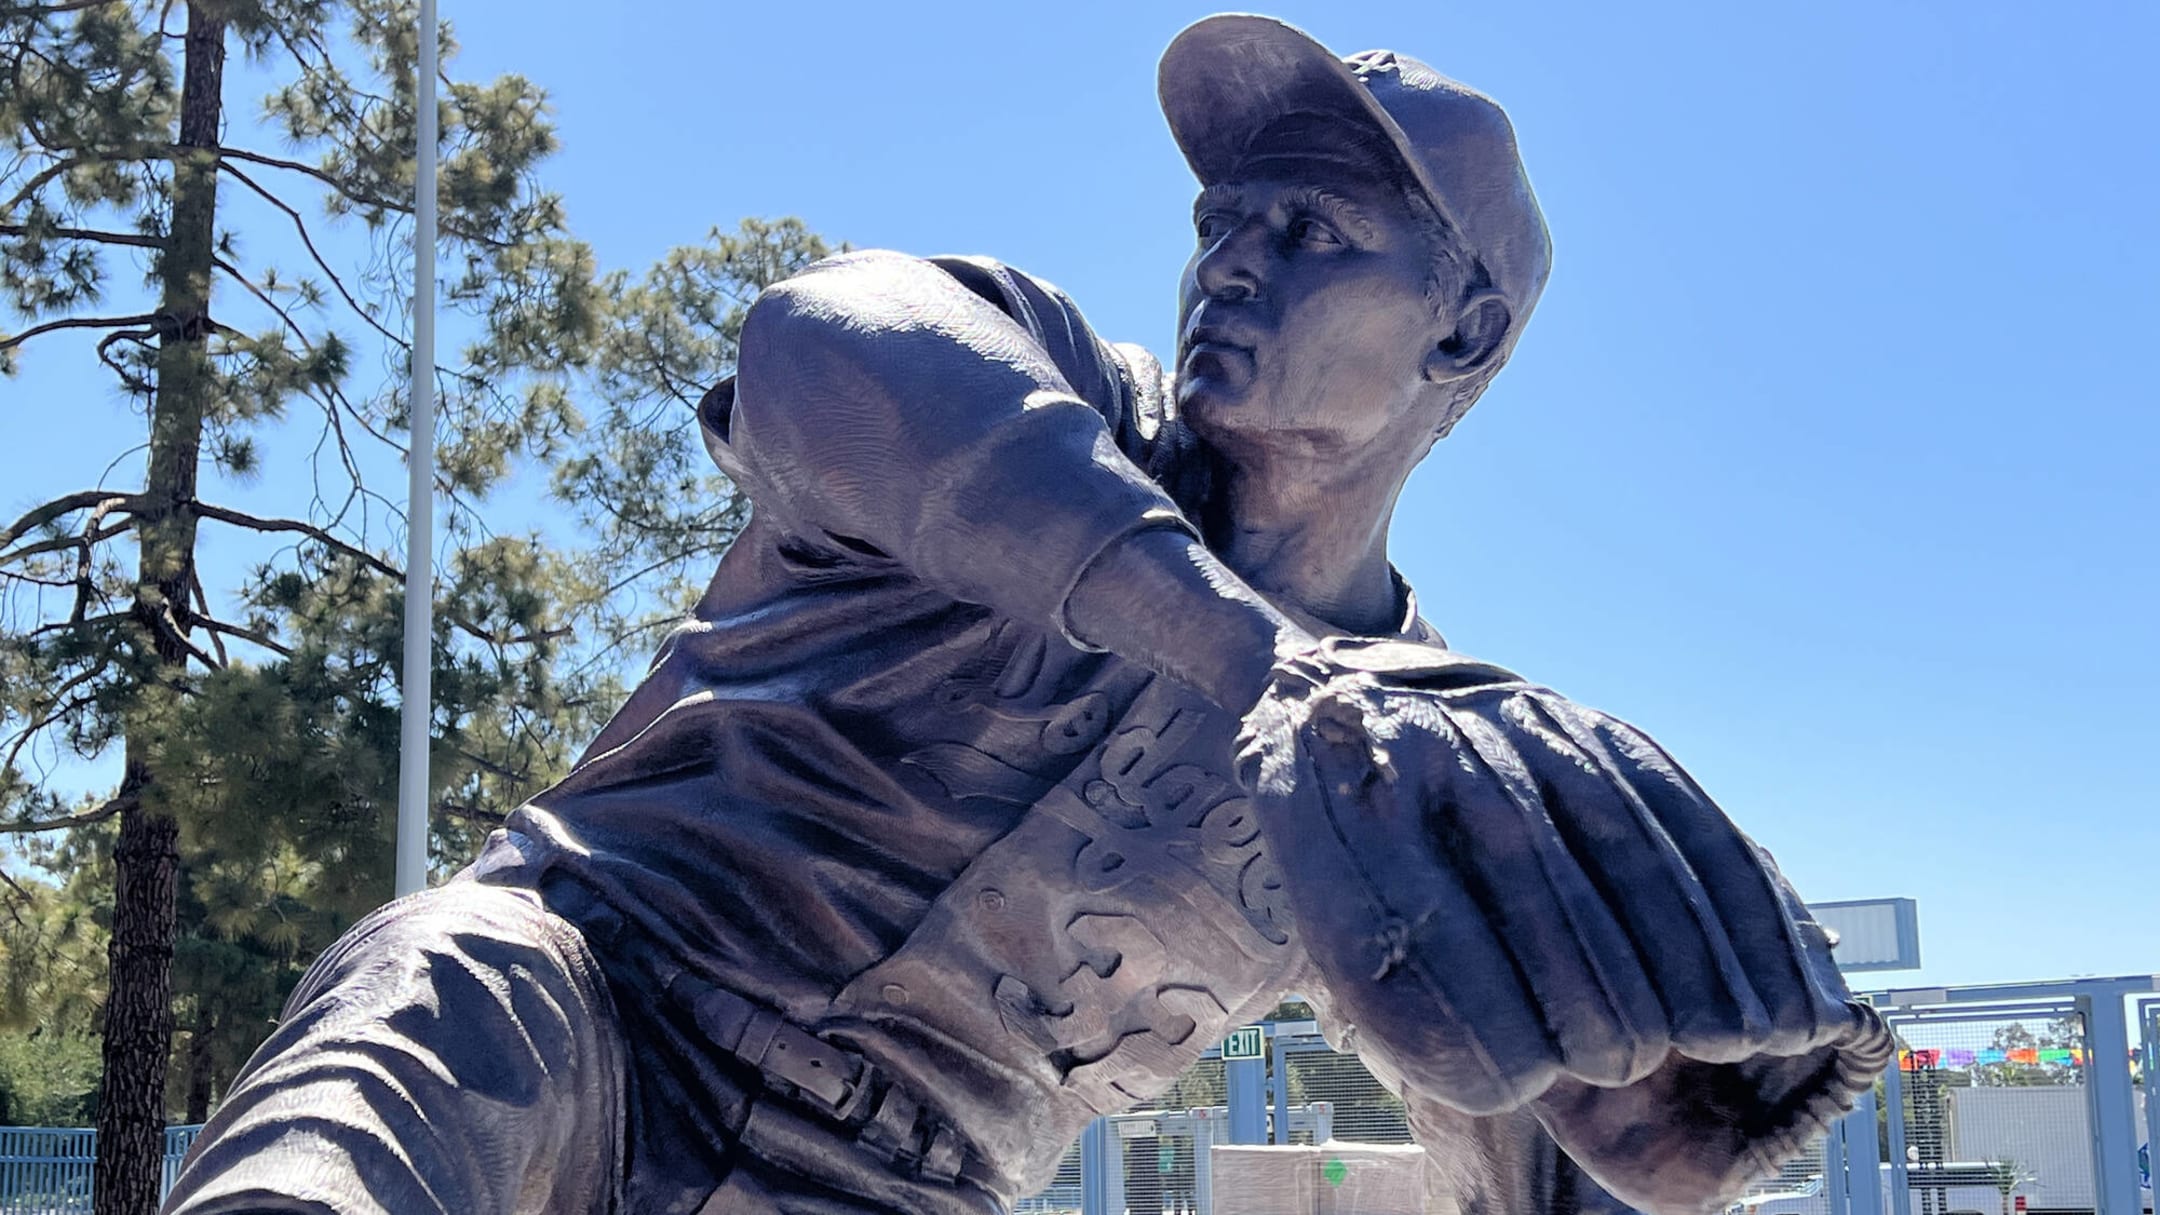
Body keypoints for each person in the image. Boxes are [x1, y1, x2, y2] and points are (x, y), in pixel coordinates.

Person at [162, 16, 1889, 1215]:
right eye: (1223, 220)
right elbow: (820, 339)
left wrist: (1668, 1113)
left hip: (895, 1188)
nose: (1233, 259)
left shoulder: (1423, 763)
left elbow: (1540, 1098)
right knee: (439, 985)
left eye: (1312, 231)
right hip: (597, 1022)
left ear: (1459, 337)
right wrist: (1250, 657)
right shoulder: (1046, 400)